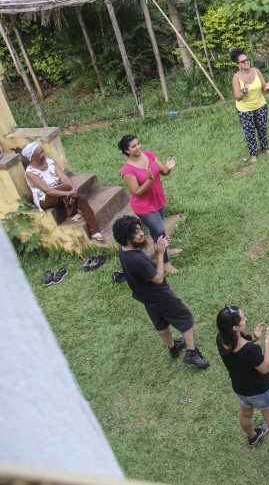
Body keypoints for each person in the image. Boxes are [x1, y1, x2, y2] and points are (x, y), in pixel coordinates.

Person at [112, 215, 209, 369]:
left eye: (139, 229)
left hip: (146, 298)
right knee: (185, 317)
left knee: (160, 322)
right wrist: (160, 254)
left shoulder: (124, 251)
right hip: (160, 296)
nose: (141, 233)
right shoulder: (137, 260)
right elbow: (157, 278)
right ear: (126, 236)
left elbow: (144, 267)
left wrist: (160, 246)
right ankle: (191, 353)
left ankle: (173, 347)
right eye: (136, 232)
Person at [216, 304, 269, 459]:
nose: (246, 319)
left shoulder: (221, 338)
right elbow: (264, 368)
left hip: (240, 388)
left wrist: (254, 338)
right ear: (235, 327)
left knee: (245, 413)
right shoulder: (250, 349)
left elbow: (240, 346)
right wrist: (266, 342)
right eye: (243, 318)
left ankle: (252, 436)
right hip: (260, 391)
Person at [118, 134, 180, 274]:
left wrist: (168, 167)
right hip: (144, 207)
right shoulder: (127, 170)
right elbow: (137, 192)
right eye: (133, 146)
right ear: (127, 150)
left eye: (138, 144)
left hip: (158, 200)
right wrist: (149, 180)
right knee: (159, 231)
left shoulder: (149, 155)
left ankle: (165, 250)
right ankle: (164, 263)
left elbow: (163, 171)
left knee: (157, 231)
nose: (138, 147)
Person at [22, 142, 103, 241]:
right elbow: (47, 190)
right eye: (40, 153)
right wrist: (68, 193)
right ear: (33, 157)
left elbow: (63, 178)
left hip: (62, 193)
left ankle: (95, 231)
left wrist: (73, 190)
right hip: (45, 199)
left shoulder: (50, 161)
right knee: (66, 188)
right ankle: (72, 212)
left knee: (81, 199)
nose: (44, 154)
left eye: (43, 151)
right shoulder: (30, 173)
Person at [230, 47, 269, 162]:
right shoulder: (236, 78)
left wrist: (267, 88)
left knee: (262, 128)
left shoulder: (256, 71)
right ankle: (253, 154)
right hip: (245, 110)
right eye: (243, 61)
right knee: (249, 132)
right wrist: (244, 90)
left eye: (247, 59)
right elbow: (238, 98)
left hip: (260, 106)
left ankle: (265, 148)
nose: (246, 62)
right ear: (237, 64)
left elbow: (264, 88)